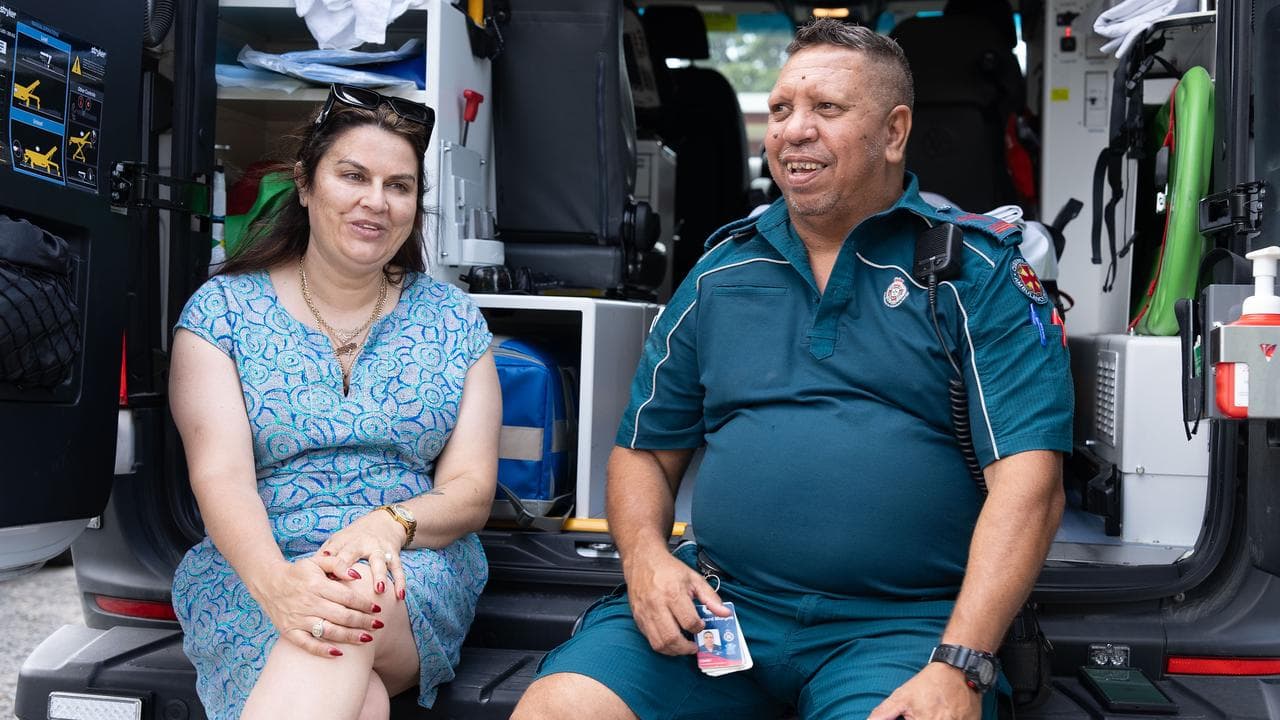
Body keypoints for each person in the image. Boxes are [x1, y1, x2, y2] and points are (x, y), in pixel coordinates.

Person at [513, 19, 1070, 720]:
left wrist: (960, 661)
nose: (792, 130)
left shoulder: (977, 276)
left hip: (904, 630)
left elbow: (1032, 487)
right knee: (557, 709)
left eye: (826, 109)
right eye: (780, 110)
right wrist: (647, 559)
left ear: (895, 133)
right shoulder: (719, 274)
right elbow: (644, 455)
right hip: (720, 612)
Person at [168, 84, 501, 720]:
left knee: (352, 598)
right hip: (252, 565)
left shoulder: (455, 321)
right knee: (361, 698)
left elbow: (470, 491)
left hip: (407, 564)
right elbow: (222, 479)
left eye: (399, 185)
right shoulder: (223, 311)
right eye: (353, 175)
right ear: (304, 183)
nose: (376, 201)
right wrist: (279, 586)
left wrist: (388, 524)